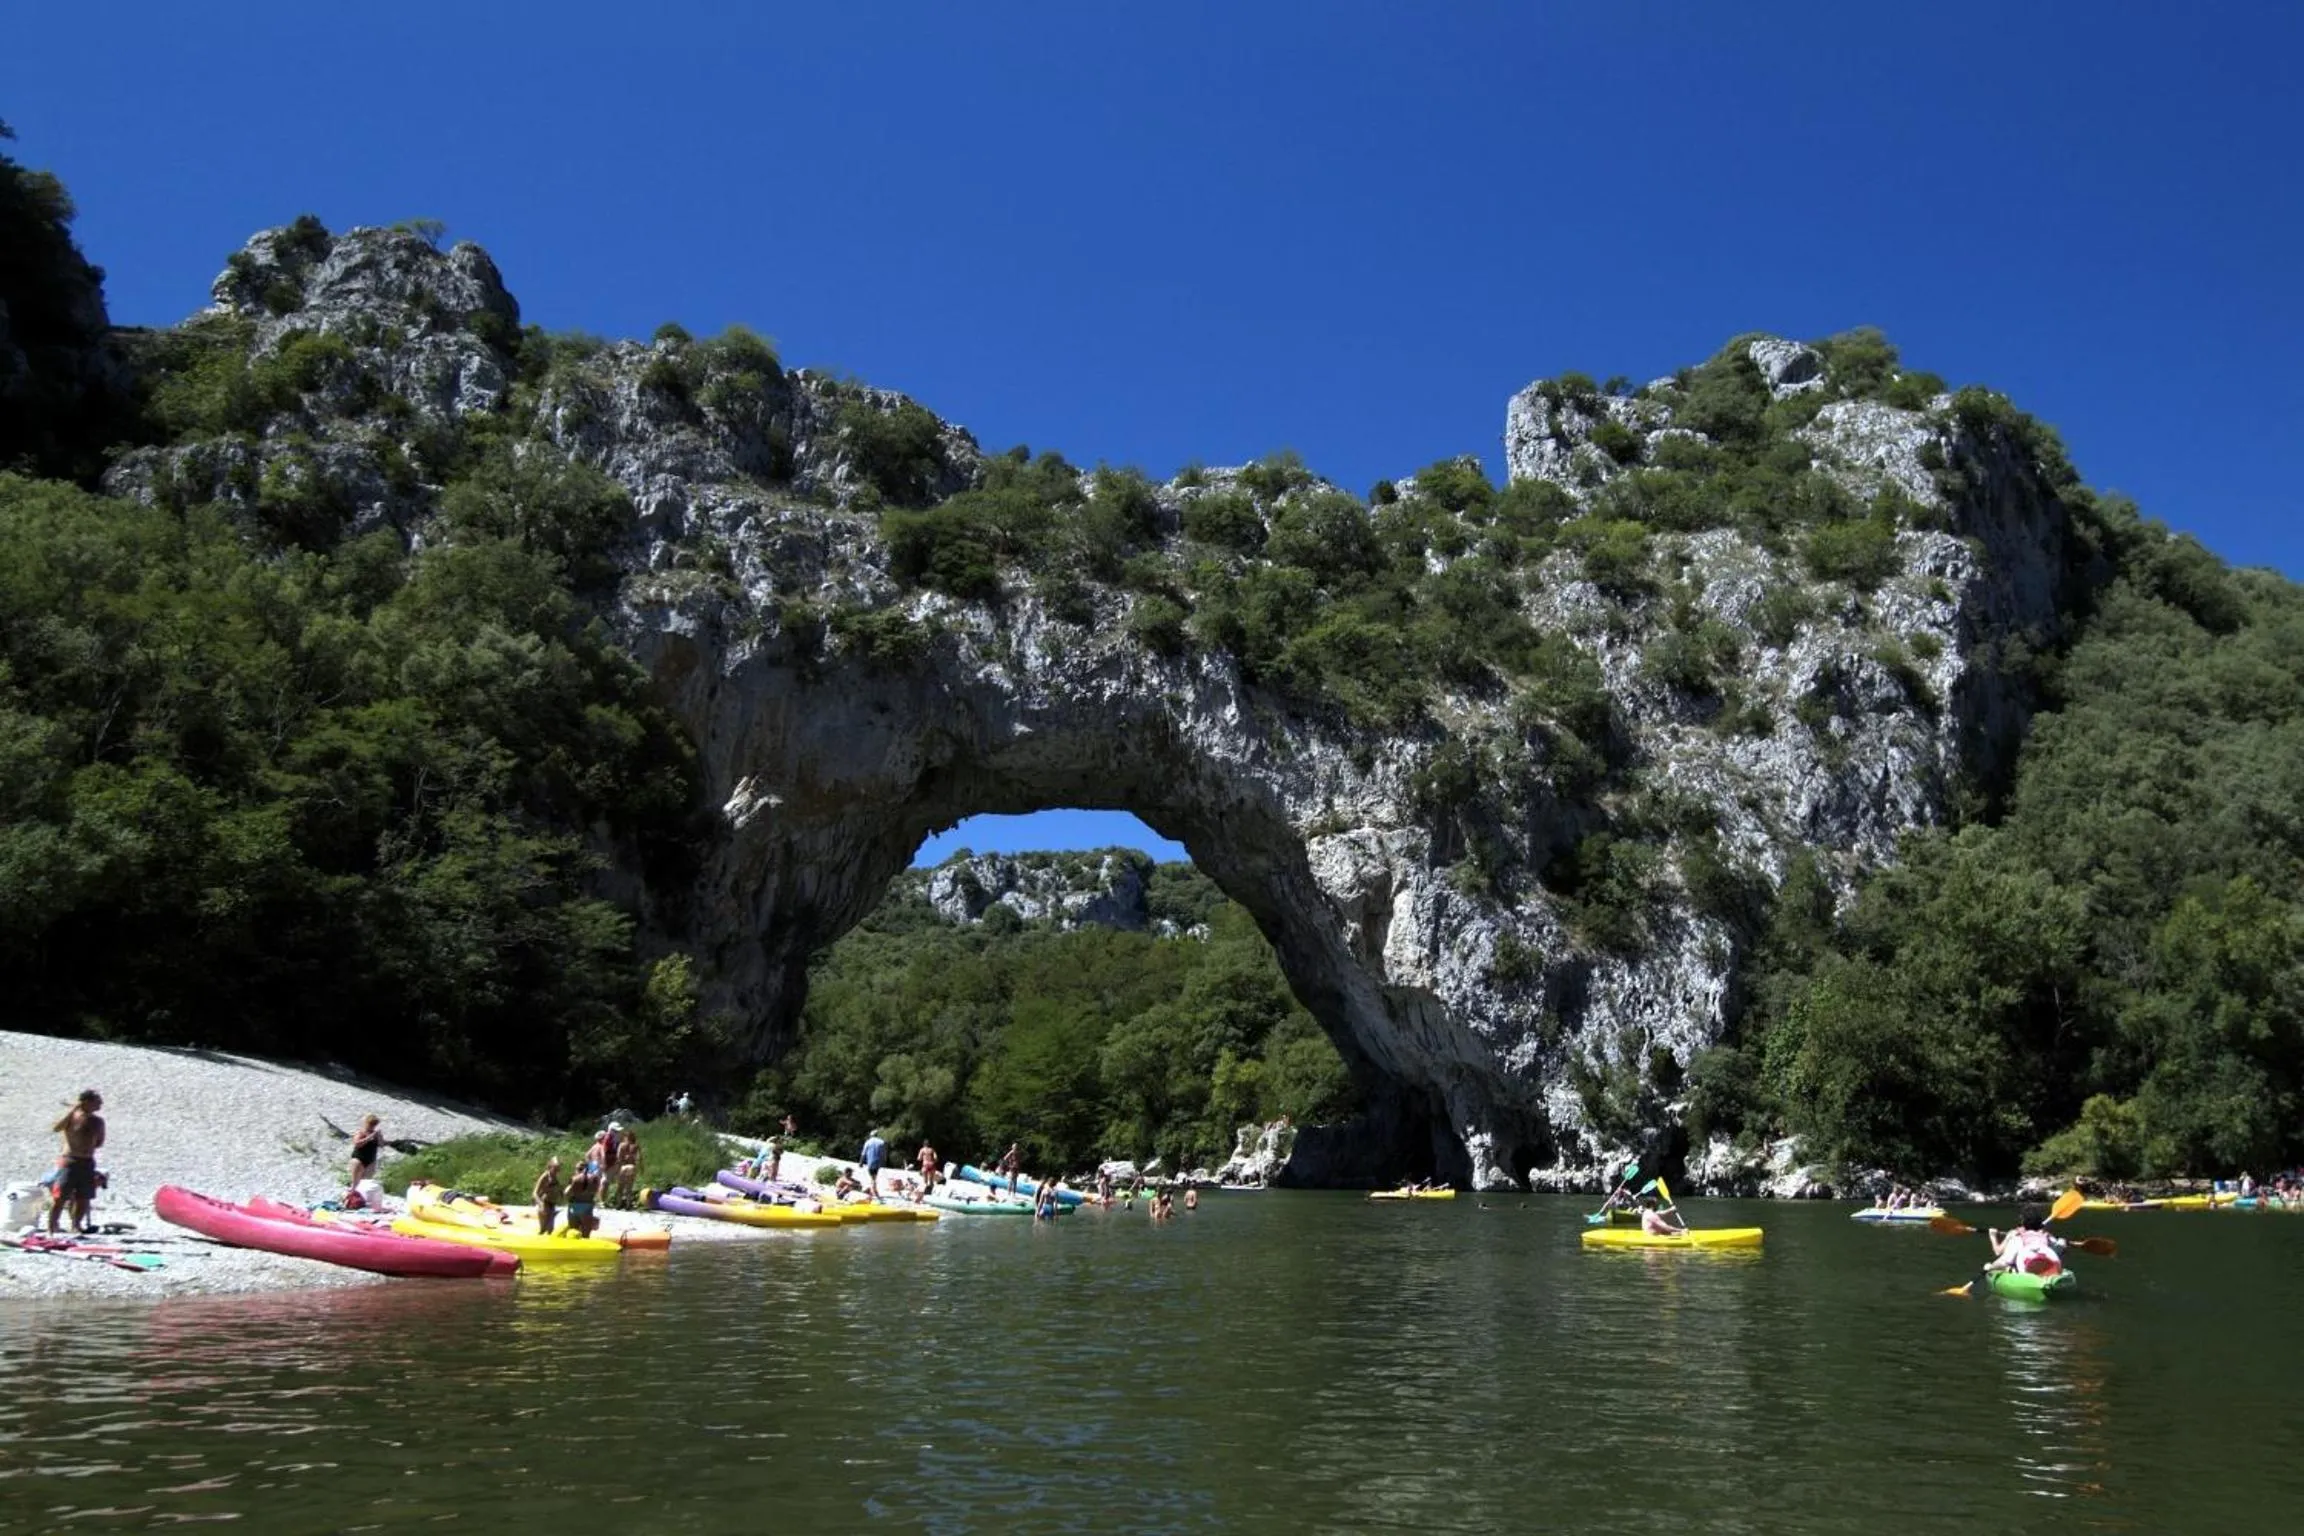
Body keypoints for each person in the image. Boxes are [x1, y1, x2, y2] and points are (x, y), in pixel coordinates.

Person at [47, 1090, 106, 1236]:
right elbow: (56, 1128)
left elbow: (99, 1142)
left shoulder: (97, 1121)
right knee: (60, 1196)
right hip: (70, 1160)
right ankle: (52, 1227)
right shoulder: (71, 1117)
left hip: (87, 1161)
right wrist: (73, 1109)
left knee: (84, 1196)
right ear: (86, 1101)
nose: (100, 1104)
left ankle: (76, 1226)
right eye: (97, 1101)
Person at [1986, 1205, 2066, 1276]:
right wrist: (2062, 1242)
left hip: (2026, 1272)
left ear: (2022, 1222)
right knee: (2061, 1243)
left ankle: (2009, 1269)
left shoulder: (2017, 1238)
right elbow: (2061, 1247)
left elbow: (2001, 1258)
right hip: (2051, 1269)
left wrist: (1990, 1267)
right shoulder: (2048, 1237)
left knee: (2003, 1263)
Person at [565, 1158, 600, 1238]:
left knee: (573, 1235)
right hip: (587, 1208)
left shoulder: (575, 1179)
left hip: (574, 1207)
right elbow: (596, 1193)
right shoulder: (593, 1179)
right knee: (586, 1236)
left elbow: (566, 1193)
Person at [349, 1113, 384, 1190]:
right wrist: (369, 1137)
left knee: (366, 1184)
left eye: (374, 1124)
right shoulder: (360, 1132)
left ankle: (361, 1199)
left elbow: (381, 1145)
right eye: (371, 1124)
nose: (373, 1126)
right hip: (359, 1159)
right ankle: (351, 1198)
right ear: (367, 1123)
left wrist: (379, 1136)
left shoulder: (375, 1134)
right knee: (355, 1183)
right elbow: (357, 1144)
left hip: (371, 1160)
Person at [614, 1128, 643, 1210]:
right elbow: (639, 1158)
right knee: (629, 1188)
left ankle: (619, 1204)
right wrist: (641, 1168)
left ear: (625, 1137)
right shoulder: (636, 1145)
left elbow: (618, 1158)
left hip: (623, 1167)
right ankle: (628, 1205)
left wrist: (617, 1170)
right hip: (632, 1167)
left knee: (620, 1187)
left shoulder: (622, 1145)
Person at [534, 1156, 563, 1236]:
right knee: (543, 1229)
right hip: (545, 1203)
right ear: (550, 1166)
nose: (557, 1170)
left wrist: (561, 1194)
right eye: (555, 1168)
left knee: (550, 1229)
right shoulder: (545, 1176)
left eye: (558, 1168)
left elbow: (558, 1189)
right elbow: (535, 1193)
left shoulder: (556, 1177)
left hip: (552, 1204)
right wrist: (541, 1204)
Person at [860, 1129, 889, 1197]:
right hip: (878, 1162)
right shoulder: (881, 1142)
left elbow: (863, 1153)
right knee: (874, 1176)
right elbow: (884, 1153)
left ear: (871, 1135)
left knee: (872, 1177)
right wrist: (884, 1161)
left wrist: (861, 1162)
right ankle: (874, 1190)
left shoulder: (868, 1142)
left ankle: (874, 1191)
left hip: (870, 1162)